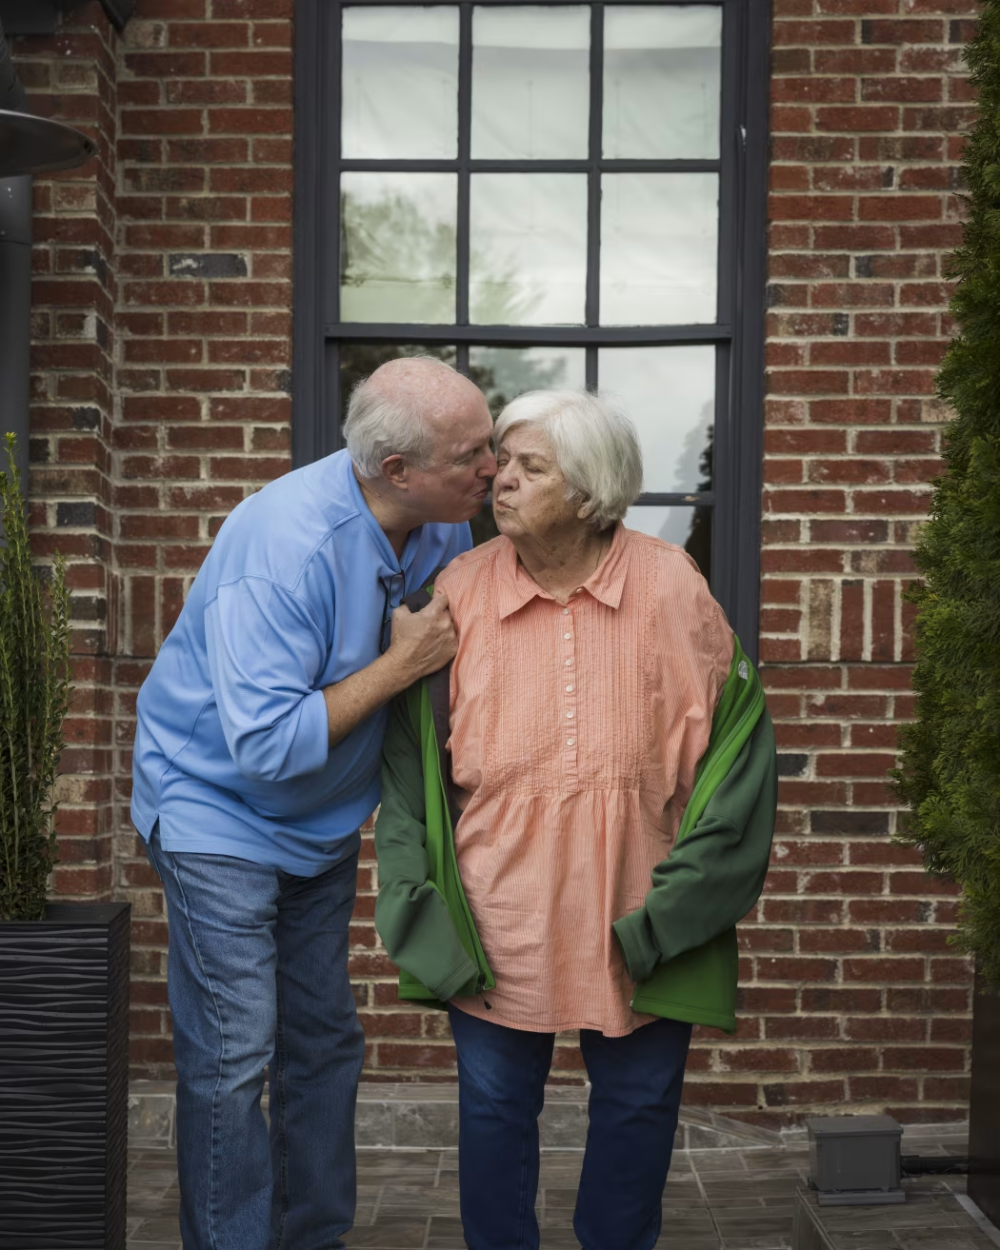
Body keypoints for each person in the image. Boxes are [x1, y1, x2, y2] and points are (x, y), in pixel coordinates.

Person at [374, 389, 777, 1250]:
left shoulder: (671, 588)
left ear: (589, 493)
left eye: (529, 467)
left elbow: (737, 749)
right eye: (501, 462)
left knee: (635, 1117)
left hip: (639, 907)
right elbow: (413, 762)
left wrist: (686, 898)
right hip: (496, 911)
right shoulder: (460, 589)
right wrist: (416, 894)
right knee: (492, 1116)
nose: (500, 481)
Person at [131, 356, 496, 1250]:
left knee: (324, 1043)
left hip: (322, 825)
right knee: (234, 1055)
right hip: (218, 810)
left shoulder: (441, 525)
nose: (493, 468)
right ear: (395, 470)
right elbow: (265, 746)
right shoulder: (284, 548)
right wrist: (403, 664)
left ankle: (312, 1237)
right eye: (473, 455)